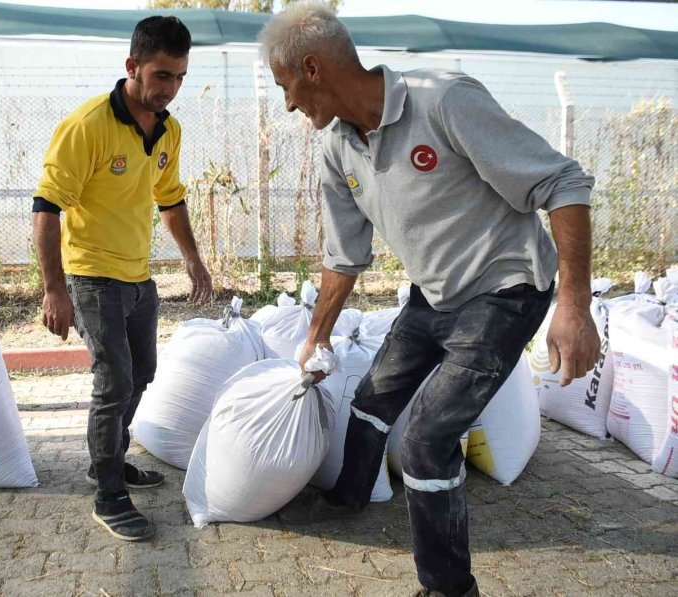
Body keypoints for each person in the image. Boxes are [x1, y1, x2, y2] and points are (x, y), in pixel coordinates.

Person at [258, 3, 600, 596]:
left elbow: (562, 183)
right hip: (433, 294)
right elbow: (344, 256)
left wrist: (574, 305)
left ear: (312, 68)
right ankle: (350, 497)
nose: (288, 103)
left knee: (425, 441)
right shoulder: (337, 148)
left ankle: (448, 587)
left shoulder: (442, 100)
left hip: (504, 290)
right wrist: (315, 336)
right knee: (370, 400)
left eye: (286, 86)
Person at [32, 16, 212, 542]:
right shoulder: (87, 125)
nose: (170, 88)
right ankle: (109, 492)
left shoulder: (168, 129)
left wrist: (193, 259)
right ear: (132, 66)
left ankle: (105, 457)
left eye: (179, 77)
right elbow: (46, 209)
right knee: (114, 382)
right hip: (91, 278)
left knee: (144, 373)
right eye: (161, 75)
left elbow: (170, 199)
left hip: (139, 279)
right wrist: (54, 288)